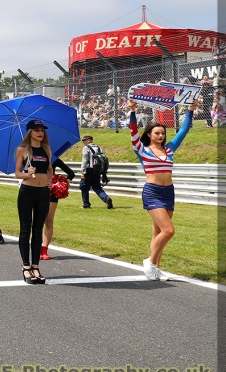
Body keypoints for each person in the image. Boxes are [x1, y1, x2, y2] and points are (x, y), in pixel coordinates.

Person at [129, 97, 199, 280]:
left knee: (159, 232)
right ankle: (150, 262)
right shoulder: (142, 150)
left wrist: (190, 111)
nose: (161, 136)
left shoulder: (169, 150)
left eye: (162, 134)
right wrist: (133, 111)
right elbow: (133, 132)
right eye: (157, 133)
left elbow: (183, 130)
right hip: (152, 192)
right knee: (168, 231)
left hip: (168, 192)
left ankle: (156, 269)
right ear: (150, 135)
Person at [14, 120, 54, 284]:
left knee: (38, 231)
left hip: (43, 193)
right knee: (25, 230)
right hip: (27, 192)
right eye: (36, 130)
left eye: (42, 130)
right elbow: (17, 173)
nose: (40, 133)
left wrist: (50, 181)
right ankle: (26, 267)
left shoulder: (46, 150)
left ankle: (36, 266)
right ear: (29, 132)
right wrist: (26, 172)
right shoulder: (22, 150)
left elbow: (50, 168)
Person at [39, 158, 75, 260]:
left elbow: (71, 173)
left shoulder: (54, 159)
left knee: (49, 221)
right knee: (37, 222)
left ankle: (44, 249)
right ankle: (36, 249)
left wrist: (61, 184)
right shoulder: (30, 158)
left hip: (50, 192)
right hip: (36, 190)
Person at [79, 135, 113, 209]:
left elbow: (84, 160)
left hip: (88, 171)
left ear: (89, 140)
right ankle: (106, 199)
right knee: (97, 187)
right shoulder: (99, 148)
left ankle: (86, 204)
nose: (83, 142)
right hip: (97, 171)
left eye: (84, 140)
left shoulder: (86, 148)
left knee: (84, 187)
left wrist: (82, 172)